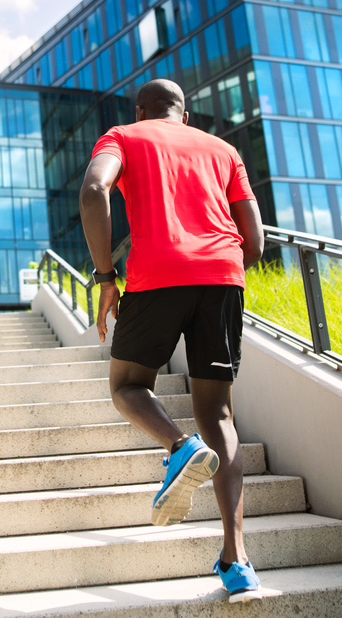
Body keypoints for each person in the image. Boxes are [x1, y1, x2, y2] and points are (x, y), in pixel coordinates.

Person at [78, 78, 265, 595]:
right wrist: (223, 270)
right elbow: (257, 238)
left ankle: (180, 447)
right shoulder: (223, 149)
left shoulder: (123, 135)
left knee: (127, 387)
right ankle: (238, 559)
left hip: (156, 274)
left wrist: (105, 276)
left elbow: (94, 190)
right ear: (184, 113)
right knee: (220, 416)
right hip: (222, 277)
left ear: (142, 110)